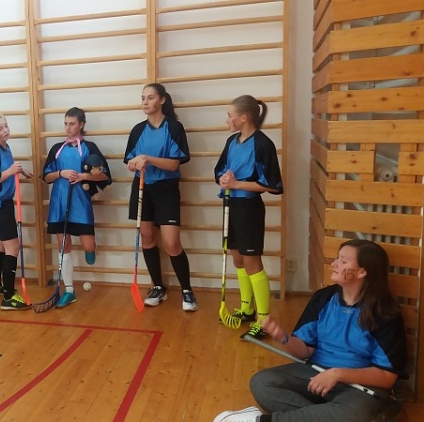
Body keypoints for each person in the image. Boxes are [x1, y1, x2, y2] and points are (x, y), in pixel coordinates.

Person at [215, 239, 407, 422]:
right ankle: (322, 416)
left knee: (357, 411)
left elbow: (386, 376)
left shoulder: (385, 313)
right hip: (316, 372)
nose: (334, 264)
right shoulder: (323, 298)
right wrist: (283, 337)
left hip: (359, 387)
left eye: (343, 261)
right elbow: (304, 350)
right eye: (337, 258)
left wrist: (337, 374)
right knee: (262, 382)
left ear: (362, 271)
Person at [124, 83, 198, 311]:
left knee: (172, 243)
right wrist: (135, 164)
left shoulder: (174, 127)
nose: (145, 102)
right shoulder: (138, 130)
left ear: (162, 100)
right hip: (142, 188)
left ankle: (187, 291)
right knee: (148, 238)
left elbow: (174, 164)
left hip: (166, 189)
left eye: (150, 97)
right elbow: (129, 162)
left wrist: (147, 158)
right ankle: (158, 287)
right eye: (143, 98)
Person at [214, 95, 283, 339]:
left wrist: (237, 184)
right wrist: (224, 179)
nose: (227, 120)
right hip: (230, 204)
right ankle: (247, 308)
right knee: (238, 258)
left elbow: (273, 185)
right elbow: (220, 169)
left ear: (244, 117)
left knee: (252, 262)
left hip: (249, 208)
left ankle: (264, 320)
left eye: (230, 115)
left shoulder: (263, 144)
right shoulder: (231, 141)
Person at [43, 107, 111, 308]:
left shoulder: (90, 147)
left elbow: (104, 175)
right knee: (63, 246)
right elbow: (46, 176)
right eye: (66, 123)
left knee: (88, 245)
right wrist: (61, 173)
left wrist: (83, 176)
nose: (68, 127)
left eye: (72, 124)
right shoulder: (56, 149)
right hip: (59, 203)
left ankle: (91, 250)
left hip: (80, 203)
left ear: (81, 125)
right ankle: (69, 290)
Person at [0, 112, 33, 310]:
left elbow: (6, 169)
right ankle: (9, 297)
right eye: (0, 128)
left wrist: (19, 171)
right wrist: (11, 171)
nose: (5, 130)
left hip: (4, 204)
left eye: (6, 125)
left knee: (2, 245)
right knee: (13, 247)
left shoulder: (4, 147)